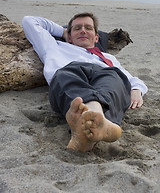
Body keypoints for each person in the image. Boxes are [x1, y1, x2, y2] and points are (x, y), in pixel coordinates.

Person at [22, 12, 148, 152]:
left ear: (96, 38)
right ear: (69, 37)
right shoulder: (54, 46)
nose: (83, 30)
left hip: (105, 75)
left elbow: (130, 79)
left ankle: (87, 130)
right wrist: (63, 32)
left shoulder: (108, 58)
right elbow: (29, 21)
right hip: (70, 73)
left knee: (114, 79)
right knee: (65, 76)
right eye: (77, 28)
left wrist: (137, 90)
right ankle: (97, 121)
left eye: (88, 28)